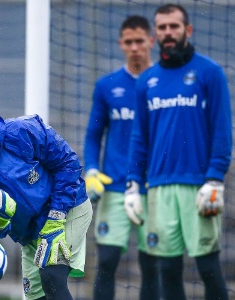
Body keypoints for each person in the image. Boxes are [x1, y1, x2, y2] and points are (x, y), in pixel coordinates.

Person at [125, 4, 232, 300]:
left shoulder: (210, 72)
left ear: (188, 29)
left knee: (208, 267)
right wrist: (133, 184)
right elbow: (139, 138)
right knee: (167, 271)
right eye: (162, 28)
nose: (168, 33)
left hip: (200, 185)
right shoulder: (147, 80)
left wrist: (215, 179)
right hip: (159, 189)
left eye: (173, 26)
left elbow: (221, 130)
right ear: (155, 34)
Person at [0, 107, 93, 300]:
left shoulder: (23, 131)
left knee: (51, 277)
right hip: (31, 236)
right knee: (36, 297)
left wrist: (56, 217)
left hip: (69, 209)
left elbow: (67, 163)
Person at [83, 15, 159, 300]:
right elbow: (94, 134)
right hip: (114, 186)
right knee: (107, 261)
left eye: (140, 41)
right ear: (121, 44)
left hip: (153, 188)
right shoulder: (107, 86)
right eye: (129, 42)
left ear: (151, 41)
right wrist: (91, 169)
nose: (135, 47)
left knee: (152, 266)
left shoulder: (162, 82)